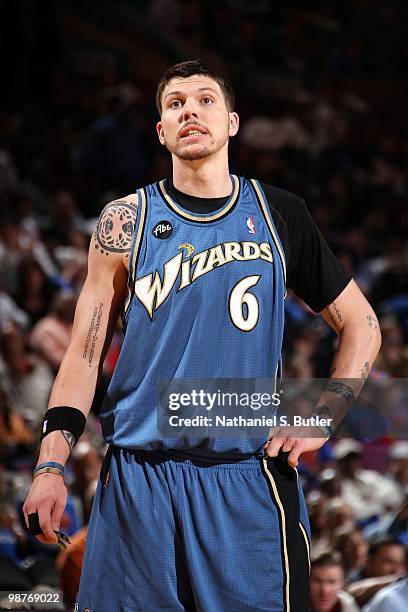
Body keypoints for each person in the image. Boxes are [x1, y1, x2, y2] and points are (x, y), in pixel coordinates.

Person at [23, 60, 382, 611]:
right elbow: (83, 355)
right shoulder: (124, 223)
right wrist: (51, 465)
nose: (190, 109)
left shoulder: (280, 213)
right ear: (161, 131)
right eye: (175, 104)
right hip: (139, 479)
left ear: (233, 122)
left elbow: (362, 324)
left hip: (246, 479)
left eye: (205, 99)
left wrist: (321, 415)